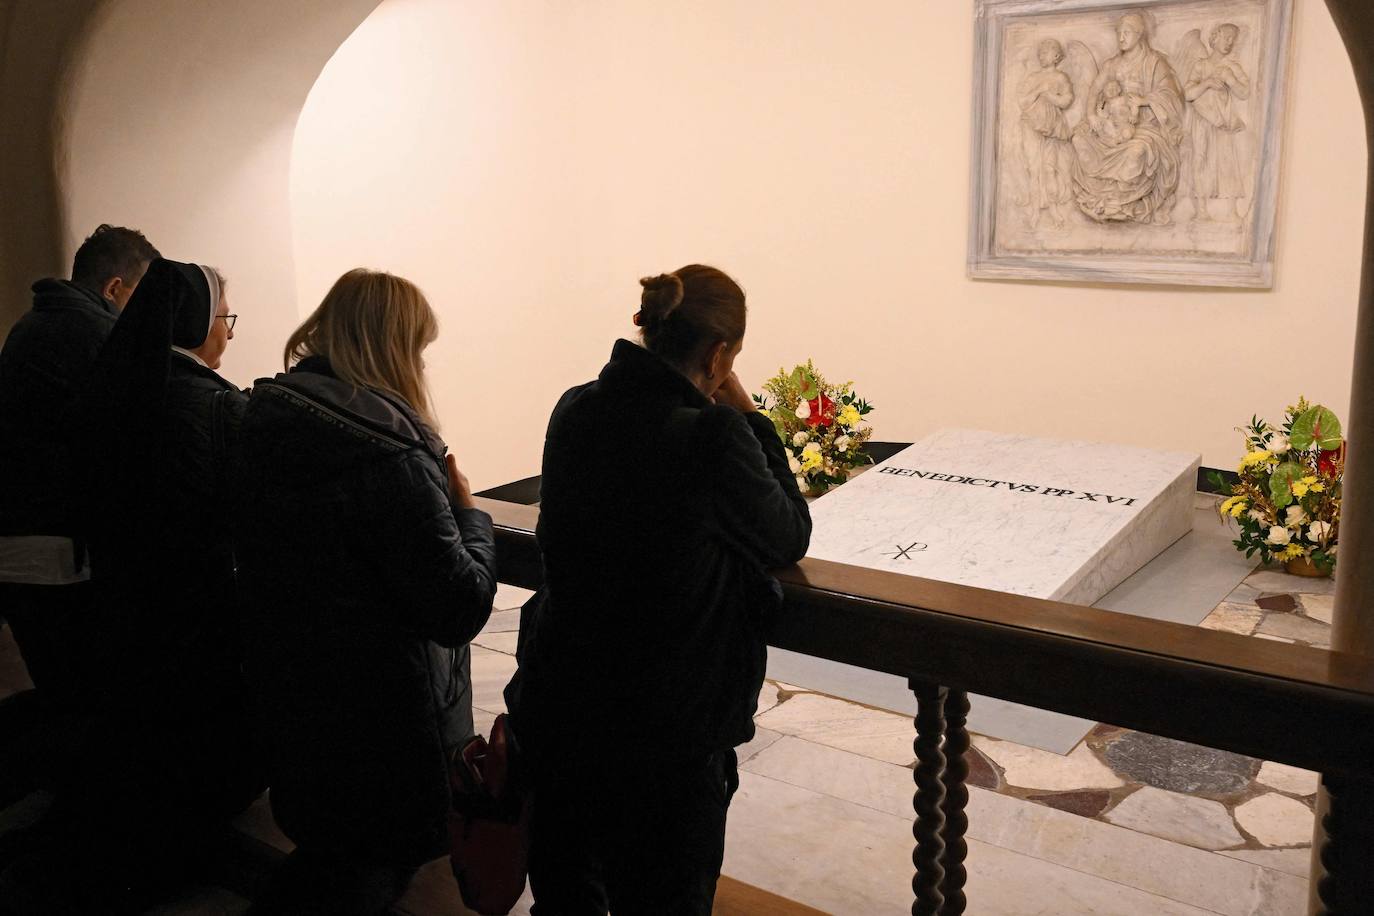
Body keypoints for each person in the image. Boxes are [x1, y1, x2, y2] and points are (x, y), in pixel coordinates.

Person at [505, 265, 812, 915]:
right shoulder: (712, 435)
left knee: (566, 899)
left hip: (564, 705)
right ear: (720, 354)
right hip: (664, 735)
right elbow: (787, 533)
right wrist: (753, 418)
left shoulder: (575, 407)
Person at [0, 258, 263, 914]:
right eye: (225, 319)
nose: (228, 334)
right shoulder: (214, 406)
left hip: (124, 607)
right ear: (197, 322)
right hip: (195, 619)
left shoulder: (119, 394)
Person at [236, 269, 497, 915]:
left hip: (295, 694)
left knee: (328, 855)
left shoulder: (264, 419)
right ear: (390, 348)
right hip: (383, 719)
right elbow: (457, 605)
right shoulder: (394, 458)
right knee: (369, 867)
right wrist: (470, 515)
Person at [0, 224, 159, 703]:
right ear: (115, 288)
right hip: (60, 553)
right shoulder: (97, 335)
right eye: (143, 298)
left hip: (21, 546)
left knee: (61, 694)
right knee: (90, 700)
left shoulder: (33, 325)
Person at [1071, 12, 1186, 224]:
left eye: (1127, 33)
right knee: (1079, 140)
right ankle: (1102, 197)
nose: (1121, 38)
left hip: (1142, 128)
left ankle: (1124, 201)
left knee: (1137, 150)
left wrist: (1143, 101)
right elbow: (1094, 90)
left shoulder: (1154, 63)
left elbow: (1172, 97)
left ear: (1140, 35)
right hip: (1109, 126)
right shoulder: (1112, 65)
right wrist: (1091, 116)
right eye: (1119, 33)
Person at [1184, 23, 1250, 221]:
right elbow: (1187, 93)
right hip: (1203, 120)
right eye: (1226, 37)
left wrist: (1230, 79)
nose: (1229, 42)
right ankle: (1202, 210)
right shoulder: (1201, 65)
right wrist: (1206, 83)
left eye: (1233, 39)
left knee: (1227, 161)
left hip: (1223, 122)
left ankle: (1231, 210)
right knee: (1201, 160)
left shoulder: (1232, 67)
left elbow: (1244, 92)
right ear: (1215, 37)